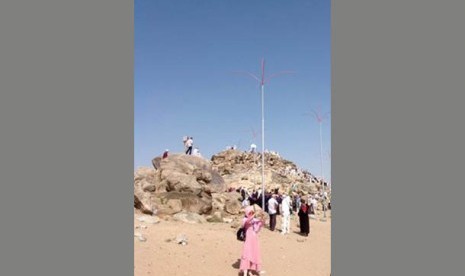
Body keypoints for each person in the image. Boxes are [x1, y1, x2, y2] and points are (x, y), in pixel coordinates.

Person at [239, 206, 266, 276]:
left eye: (252, 212)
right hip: (248, 238)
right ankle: (245, 272)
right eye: (250, 212)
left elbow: (258, 227)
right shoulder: (245, 219)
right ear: (247, 213)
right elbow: (247, 222)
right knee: (247, 253)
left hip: (254, 238)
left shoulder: (254, 220)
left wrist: (262, 219)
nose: (251, 213)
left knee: (254, 253)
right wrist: (254, 216)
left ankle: (251, 271)